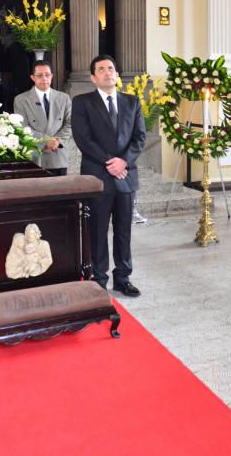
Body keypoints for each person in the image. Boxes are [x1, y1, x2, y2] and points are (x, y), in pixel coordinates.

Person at [71, 55, 146, 297]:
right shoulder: (82, 102)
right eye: (101, 69)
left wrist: (124, 161)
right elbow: (83, 139)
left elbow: (139, 138)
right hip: (97, 177)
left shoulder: (132, 102)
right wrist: (110, 162)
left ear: (117, 74)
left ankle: (123, 278)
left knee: (124, 230)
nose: (107, 72)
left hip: (126, 176)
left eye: (111, 68)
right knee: (97, 230)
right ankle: (99, 279)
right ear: (93, 77)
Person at [14, 60, 73, 176]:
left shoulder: (64, 98)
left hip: (58, 155)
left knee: (60, 192)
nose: (44, 78)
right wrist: (46, 141)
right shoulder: (21, 100)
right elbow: (23, 127)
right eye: (40, 75)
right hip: (35, 156)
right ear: (32, 77)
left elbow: (71, 123)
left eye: (47, 75)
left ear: (52, 76)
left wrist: (56, 141)